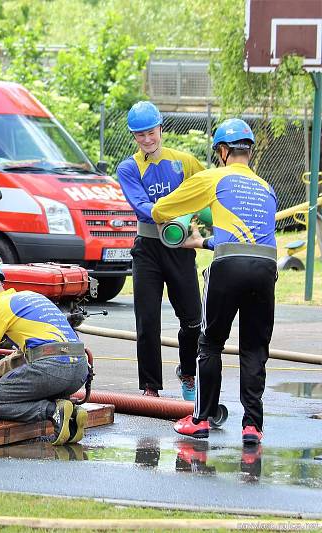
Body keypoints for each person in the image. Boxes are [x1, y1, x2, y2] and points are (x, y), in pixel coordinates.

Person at [152, 118, 277, 446]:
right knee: (253, 348)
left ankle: (201, 419)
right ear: (248, 152)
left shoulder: (213, 176)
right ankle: (252, 426)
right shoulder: (267, 188)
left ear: (222, 151)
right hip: (266, 268)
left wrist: (189, 214)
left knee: (210, 343)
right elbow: (248, 241)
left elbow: (161, 209)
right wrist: (204, 241)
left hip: (228, 268)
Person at [116, 101, 203, 400]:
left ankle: (188, 372)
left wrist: (201, 220)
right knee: (148, 320)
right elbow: (141, 206)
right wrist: (177, 210)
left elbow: (206, 193)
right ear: (134, 137)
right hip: (148, 248)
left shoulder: (185, 162)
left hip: (179, 248)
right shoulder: (129, 168)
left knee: (193, 319)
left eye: (151, 132)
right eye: (140, 135)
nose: (147, 140)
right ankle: (150, 387)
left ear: (161, 129)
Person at [0, 260, 89, 446]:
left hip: (53, 369)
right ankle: (71, 414)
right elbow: (30, 354)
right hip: (79, 370)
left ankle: (53, 411)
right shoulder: (30, 297)